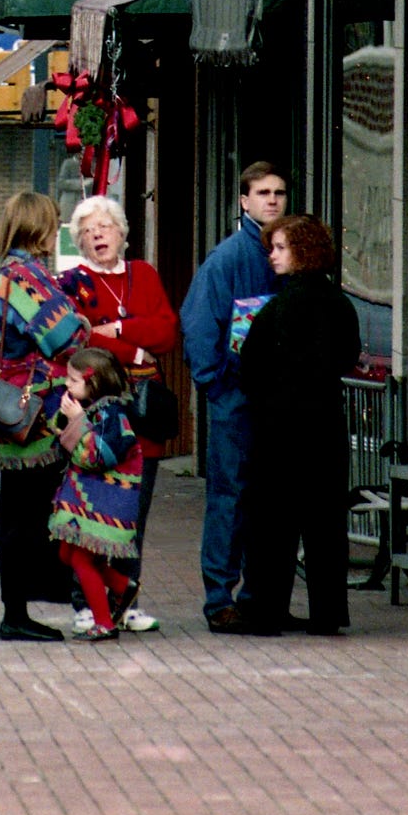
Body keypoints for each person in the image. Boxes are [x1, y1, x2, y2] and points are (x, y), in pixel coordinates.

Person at [58, 193, 178, 634]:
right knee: (89, 509)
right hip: (98, 417)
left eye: (104, 227)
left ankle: (127, 600)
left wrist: (119, 330)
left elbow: (167, 332)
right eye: (87, 231)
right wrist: (135, 348)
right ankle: (84, 604)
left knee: (133, 513)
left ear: (122, 232)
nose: (97, 236)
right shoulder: (73, 282)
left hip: (142, 415)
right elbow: (82, 347)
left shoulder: (143, 274)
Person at [178, 160, 289, 633]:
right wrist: (219, 387)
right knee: (229, 498)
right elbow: (199, 326)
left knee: (267, 501)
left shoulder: (288, 255)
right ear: (244, 201)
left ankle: (261, 599)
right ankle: (219, 600)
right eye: (262, 193)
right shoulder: (227, 260)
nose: (272, 200)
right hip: (236, 401)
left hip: (276, 404)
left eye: (279, 192)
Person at [240, 215, 362, 636]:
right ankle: (328, 613)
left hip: (279, 426)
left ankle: (267, 611)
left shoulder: (279, 307)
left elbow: (251, 365)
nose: (272, 256)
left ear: (301, 251)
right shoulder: (339, 303)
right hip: (325, 422)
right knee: (325, 524)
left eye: (279, 248)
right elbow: (348, 355)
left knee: (274, 523)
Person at [0, 189, 89, 642]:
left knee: (16, 513)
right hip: (36, 416)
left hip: (6, 406)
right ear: (39, 226)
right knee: (29, 515)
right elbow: (66, 336)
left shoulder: (5, 274)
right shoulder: (28, 277)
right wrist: (80, 318)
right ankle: (18, 613)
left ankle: (19, 608)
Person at [49, 346, 144, 642]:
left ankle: (104, 622)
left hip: (108, 499)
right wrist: (69, 417)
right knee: (67, 552)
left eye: (74, 380)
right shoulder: (93, 408)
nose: (67, 384)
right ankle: (121, 586)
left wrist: (77, 420)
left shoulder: (113, 414)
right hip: (89, 498)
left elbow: (96, 457)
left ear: (94, 382)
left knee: (81, 559)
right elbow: (61, 438)